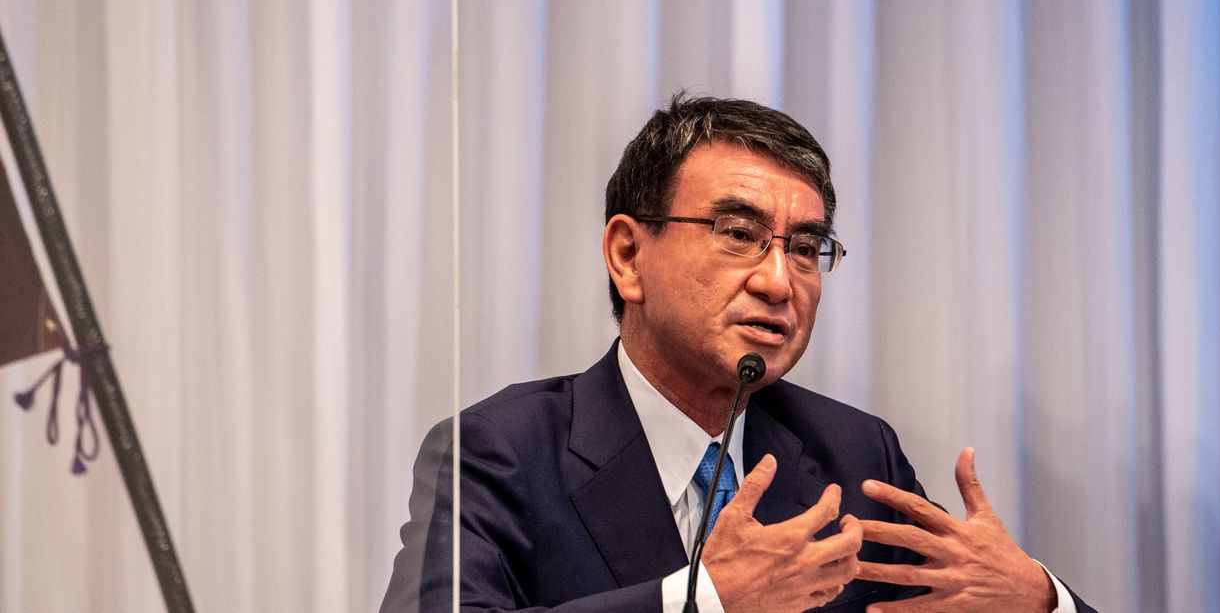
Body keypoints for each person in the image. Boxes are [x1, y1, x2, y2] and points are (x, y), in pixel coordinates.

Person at [382, 94, 1096, 613]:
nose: (779, 280)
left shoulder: (852, 453)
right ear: (628, 255)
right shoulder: (497, 451)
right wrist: (702, 602)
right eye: (736, 233)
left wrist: (1037, 600)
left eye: (807, 249)